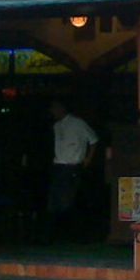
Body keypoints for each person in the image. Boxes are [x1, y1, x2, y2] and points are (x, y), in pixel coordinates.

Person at [44, 99, 98, 242]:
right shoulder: (57, 126)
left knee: (68, 200)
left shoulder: (78, 123)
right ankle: (56, 234)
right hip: (58, 165)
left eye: (55, 109)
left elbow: (93, 140)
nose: (53, 112)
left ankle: (70, 234)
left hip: (72, 166)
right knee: (54, 200)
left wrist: (87, 159)